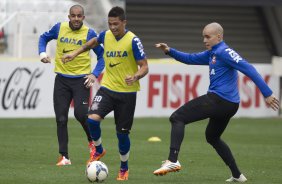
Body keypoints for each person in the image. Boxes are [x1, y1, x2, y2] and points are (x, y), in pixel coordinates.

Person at [153, 22, 280, 182]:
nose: (204, 40)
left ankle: (172, 160)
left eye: (208, 36)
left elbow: (249, 69)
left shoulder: (225, 52)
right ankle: (237, 175)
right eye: (203, 37)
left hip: (220, 100)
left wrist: (267, 93)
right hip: (229, 104)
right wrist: (169, 51)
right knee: (212, 137)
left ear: (219, 36)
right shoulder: (212, 53)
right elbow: (190, 59)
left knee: (177, 117)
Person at [62, 6, 149, 180]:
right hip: (108, 88)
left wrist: (136, 76)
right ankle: (99, 149)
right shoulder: (105, 35)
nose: (113, 27)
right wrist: (75, 53)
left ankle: (124, 167)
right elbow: (91, 43)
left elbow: (145, 66)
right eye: (110, 24)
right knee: (91, 120)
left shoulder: (133, 40)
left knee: (122, 134)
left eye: (116, 24)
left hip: (127, 93)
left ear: (124, 22)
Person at [38, 4, 105, 166]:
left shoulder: (90, 34)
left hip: (80, 81)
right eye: (73, 15)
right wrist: (42, 53)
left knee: (81, 115)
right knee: (61, 119)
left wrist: (94, 74)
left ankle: (94, 144)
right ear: (69, 16)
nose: (76, 18)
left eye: (79, 16)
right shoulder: (59, 28)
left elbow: (102, 57)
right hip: (61, 80)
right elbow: (43, 38)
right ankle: (64, 157)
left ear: (83, 17)